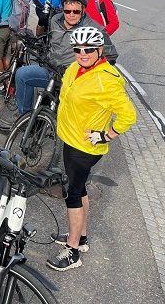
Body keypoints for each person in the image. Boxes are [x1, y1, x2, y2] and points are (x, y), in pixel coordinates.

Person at [47, 26, 136, 272]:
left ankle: (73, 251)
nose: (82, 54)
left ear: (100, 50)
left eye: (88, 50)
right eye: (78, 49)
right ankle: (81, 236)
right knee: (80, 188)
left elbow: (128, 115)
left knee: (73, 194)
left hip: (84, 148)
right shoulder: (75, 68)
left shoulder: (106, 79)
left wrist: (106, 135)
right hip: (70, 139)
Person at [14, 0, 117, 117]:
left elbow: (111, 56)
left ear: (83, 10)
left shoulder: (94, 29)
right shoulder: (55, 20)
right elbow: (45, 38)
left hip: (72, 77)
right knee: (22, 74)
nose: (71, 15)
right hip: (50, 70)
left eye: (76, 11)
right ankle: (24, 116)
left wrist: (89, 70)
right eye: (67, 11)